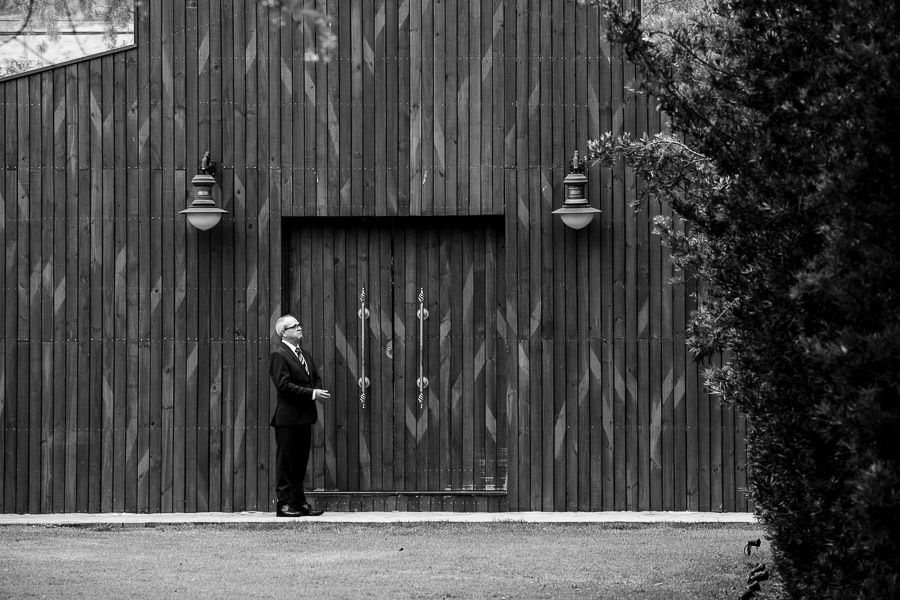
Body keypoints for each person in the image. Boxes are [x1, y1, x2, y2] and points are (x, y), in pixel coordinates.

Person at [269, 314, 331, 517]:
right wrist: (312, 393)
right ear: (283, 333)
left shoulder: (305, 354)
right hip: (287, 418)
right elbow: (284, 385)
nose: (299, 328)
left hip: (304, 417)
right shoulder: (279, 355)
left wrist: (317, 389)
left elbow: (315, 377)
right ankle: (284, 504)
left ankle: (298, 502)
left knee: (300, 463)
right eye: (294, 326)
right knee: (286, 463)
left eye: (299, 325)